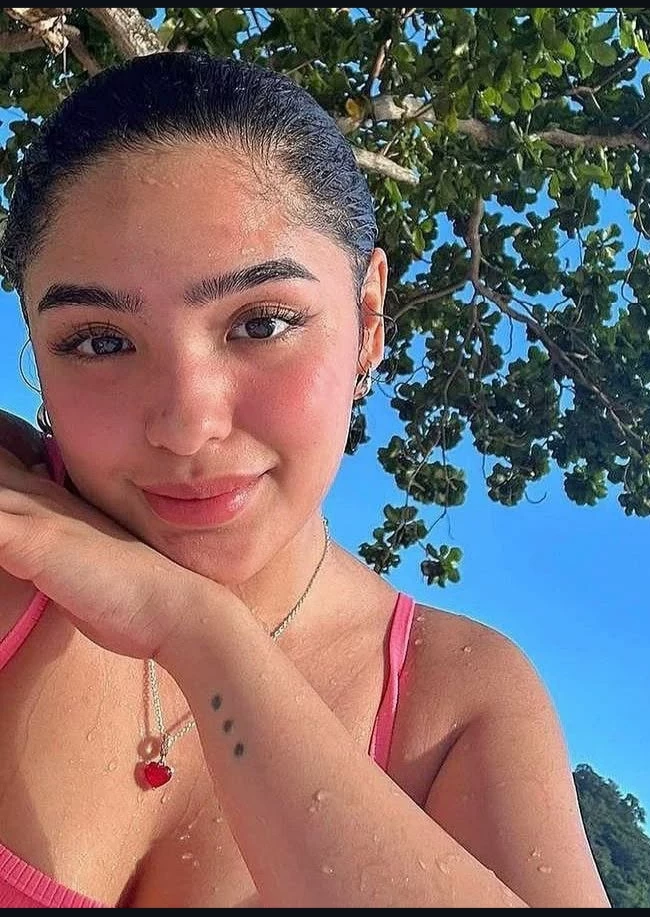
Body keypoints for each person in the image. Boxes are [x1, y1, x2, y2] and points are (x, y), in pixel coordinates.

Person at [0, 51, 610, 909]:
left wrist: (199, 632)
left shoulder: (456, 703)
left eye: (261, 323)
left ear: (367, 320)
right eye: (99, 341)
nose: (188, 424)